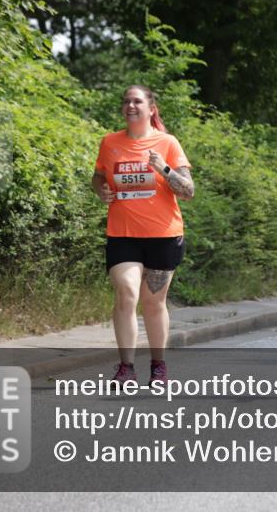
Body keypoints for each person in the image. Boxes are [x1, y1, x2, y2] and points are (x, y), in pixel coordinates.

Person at [92, 85, 194, 385]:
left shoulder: (168, 143)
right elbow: (98, 177)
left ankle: (158, 365)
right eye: (126, 101)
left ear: (151, 108)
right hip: (123, 234)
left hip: (163, 235)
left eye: (137, 101)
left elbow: (188, 191)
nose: (130, 106)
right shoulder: (110, 143)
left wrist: (164, 169)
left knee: (153, 303)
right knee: (127, 292)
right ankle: (126, 367)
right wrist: (101, 190)